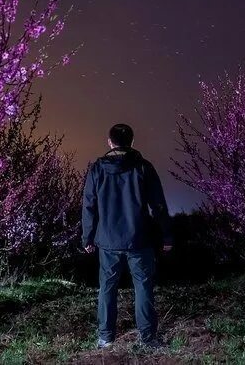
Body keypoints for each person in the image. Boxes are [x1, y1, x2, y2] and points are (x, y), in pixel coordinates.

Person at [82, 122, 173, 350]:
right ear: (132, 142)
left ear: (109, 142)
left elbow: (89, 206)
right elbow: (159, 205)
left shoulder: (97, 169)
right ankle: (148, 337)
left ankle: (106, 337)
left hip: (108, 240)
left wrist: (87, 237)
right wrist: (167, 235)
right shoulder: (144, 167)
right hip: (139, 239)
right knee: (143, 286)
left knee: (107, 287)